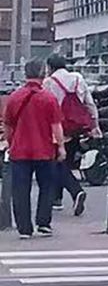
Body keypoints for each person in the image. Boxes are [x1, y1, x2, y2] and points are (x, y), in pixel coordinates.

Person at [3, 59, 64, 238]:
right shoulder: (49, 98)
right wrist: (61, 147)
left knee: (20, 190)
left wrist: (11, 141)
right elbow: (56, 126)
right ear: (42, 74)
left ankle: (24, 228)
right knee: (47, 187)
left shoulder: (14, 97)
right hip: (44, 150)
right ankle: (43, 223)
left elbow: (7, 125)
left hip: (19, 150)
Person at [43, 54, 95, 217]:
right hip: (76, 127)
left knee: (56, 163)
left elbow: (45, 105)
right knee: (64, 162)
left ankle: (75, 191)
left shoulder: (49, 82)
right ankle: (56, 199)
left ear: (50, 67)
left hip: (57, 126)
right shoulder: (78, 78)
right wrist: (95, 124)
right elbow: (89, 102)